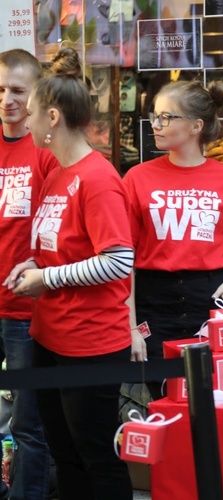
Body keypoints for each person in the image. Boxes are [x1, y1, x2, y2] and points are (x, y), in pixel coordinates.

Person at [4, 47, 134, 499]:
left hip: (90, 343)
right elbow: (66, 248)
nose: (27, 119)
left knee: (96, 455)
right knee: (66, 454)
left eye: (34, 111)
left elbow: (119, 260)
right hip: (51, 337)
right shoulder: (59, 173)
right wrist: (36, 264)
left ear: (53, 117)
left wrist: (47, 279)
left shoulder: (97, 178)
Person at [123, 80, 223, 399]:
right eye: (154, 116)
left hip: (209, 299)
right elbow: (123, 260)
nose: (156, 124)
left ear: (196, 125)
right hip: (152, 302)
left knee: (213, 399)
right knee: (164, 400)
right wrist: (129, 329)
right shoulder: (137, 178)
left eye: (166, 117)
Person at [0, 48, 58, 500]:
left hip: (24, 308)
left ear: (35, 94)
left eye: (17, 90)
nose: (7, 99)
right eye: (0, 90)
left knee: (27, 423)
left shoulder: (47, 153)